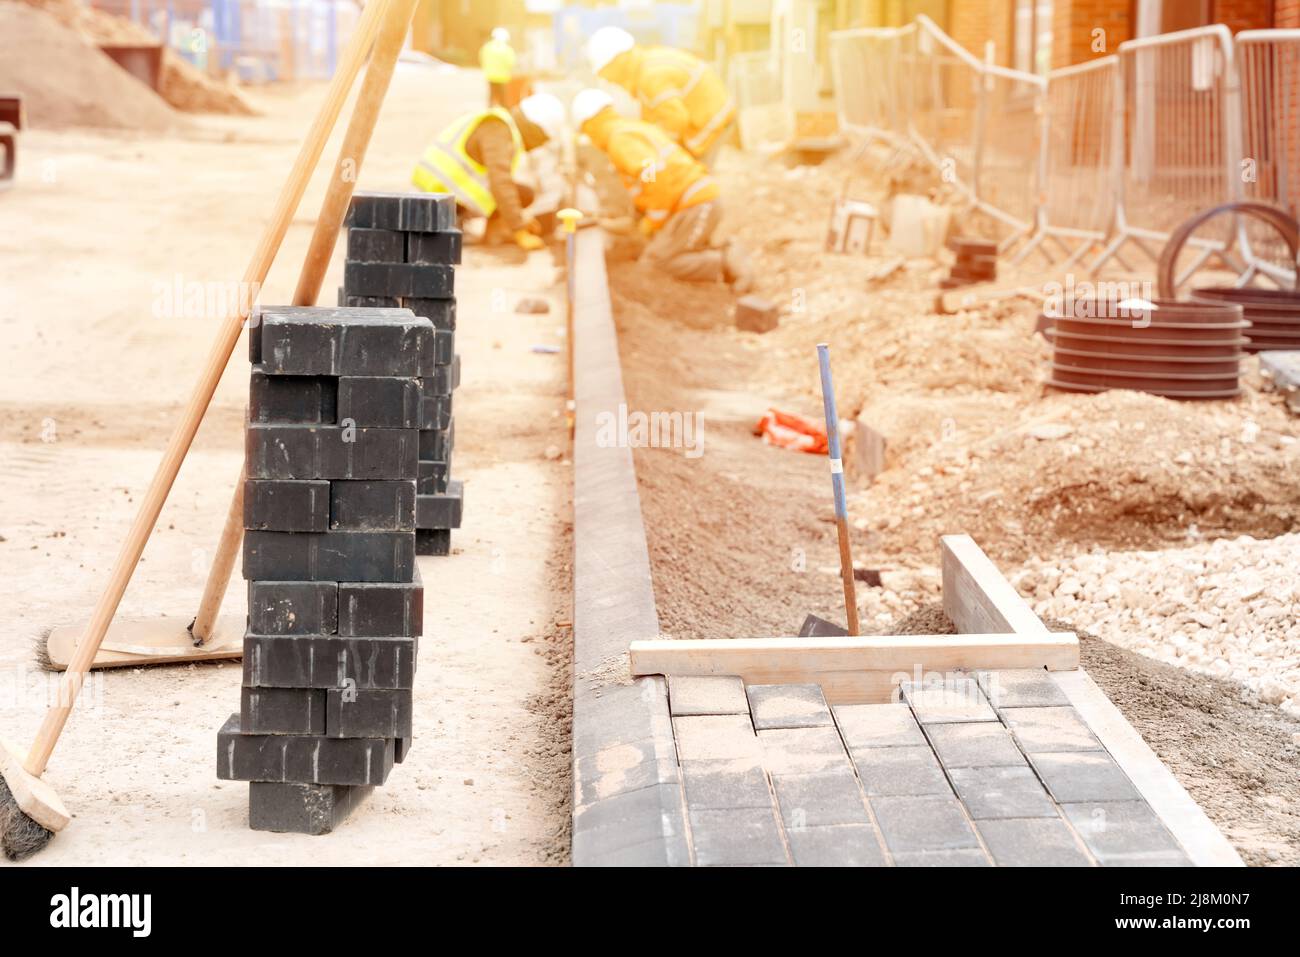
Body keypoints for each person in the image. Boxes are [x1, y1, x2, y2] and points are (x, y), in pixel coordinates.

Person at [571, 89, 752, 290]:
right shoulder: (631, 129)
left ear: (591, 124)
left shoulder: (619, 139)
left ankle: (724, 261)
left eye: (587, 133)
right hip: (694, 202)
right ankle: (719, 253)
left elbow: (651, 171)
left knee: (657, 262)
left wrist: (654, 219)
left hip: (696, 204)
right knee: (663, 250)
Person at [411, 93, 565, 251]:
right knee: (510, 191)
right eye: (541, 140)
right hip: (440, 191)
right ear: (534, 129)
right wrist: (519, 229)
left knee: (523, 193)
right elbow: (500, 183)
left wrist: (520, 217)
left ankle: (493, 233)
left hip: (447, 187)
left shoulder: (504, 127)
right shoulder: (498, 129)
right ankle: (453, 222)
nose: (537, 146)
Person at [584, 26, 735, 165]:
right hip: (716, 114)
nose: (608, 80)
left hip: (711, 123)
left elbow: (674, 120)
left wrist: (656, 153)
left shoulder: (650, 77)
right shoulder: (648, 63)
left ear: (619, 60)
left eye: (606, 73)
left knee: (693, 179)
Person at [478, 27, 516, 107]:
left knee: (492, 97)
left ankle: (490, 112)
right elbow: (511, 62)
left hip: (490, 76)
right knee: (503, 98)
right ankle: (504, 114)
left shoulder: (487, 47)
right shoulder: (507, 49)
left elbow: (482, 58)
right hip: (503, 77)